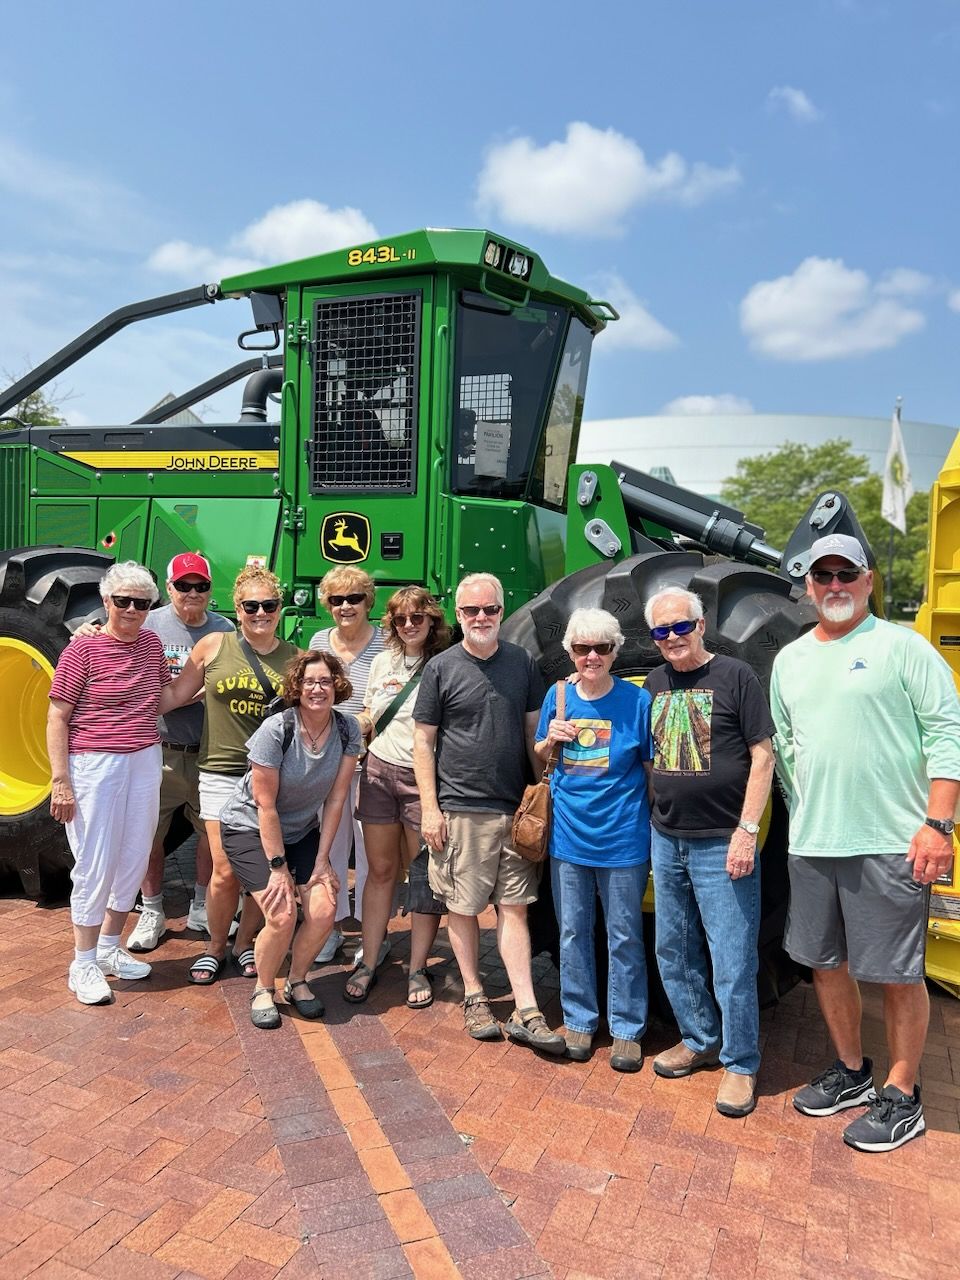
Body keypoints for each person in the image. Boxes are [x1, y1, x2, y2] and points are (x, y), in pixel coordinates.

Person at [770, 533, 960, 1152]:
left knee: (898, 974)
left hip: (888, 841)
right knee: (826, 964)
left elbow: (945, 733)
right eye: (822, 576)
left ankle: (904, 1096)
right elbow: (788, 749)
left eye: (845, 574)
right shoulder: (790, 660)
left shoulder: (903, 648)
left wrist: (938, 824)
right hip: (814, 840)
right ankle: (853, 1071)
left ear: (869, 580)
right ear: (808, 586)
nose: (834, 586)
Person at [413, 572, 563, 1052]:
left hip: (514, 811)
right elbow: (423, 743)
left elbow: (532, 735)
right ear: (458, 615)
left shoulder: (521, 663)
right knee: (462, 908)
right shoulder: (441, 667)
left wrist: (546, 780)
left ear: (502, 610)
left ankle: (526, 1007)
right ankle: (475, 995)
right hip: (459, 810)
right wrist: (431, 809)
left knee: (514, 909)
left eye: (490, 610)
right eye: (471, 610)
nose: (481, 618)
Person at [643, 586, 775, 1119]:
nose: (672, 638)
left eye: (680, 627)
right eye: (661, 631)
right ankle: (699, 1039)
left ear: (700, 625)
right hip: (667, 837)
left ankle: (741, 1063)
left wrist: (747, 830)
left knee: (732, 957)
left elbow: (762, 756)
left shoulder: (736, 676)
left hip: (723, 840)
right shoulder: (654, 682)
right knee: (672, 949)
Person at [47, 561, 199, 1005]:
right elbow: (58, 714)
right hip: (94, 765)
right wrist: (61, 780)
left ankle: (110, 949)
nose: (132, 609)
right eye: (122, 600)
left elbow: (163, 699)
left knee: (132, 857)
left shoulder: (151, 643)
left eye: (141, 602)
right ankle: (83, 962)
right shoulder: (83, 650)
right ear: (105, 601)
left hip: (144, 760)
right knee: (94, 862)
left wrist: (207, 673)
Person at [534, 609, 653, 1071]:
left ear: (615, 652)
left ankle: (626, 1028)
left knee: (624, 935)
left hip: (623, 837)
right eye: (582, 648)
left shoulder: (635, 702)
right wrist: (550, 741)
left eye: (602, 648)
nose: (591, 656)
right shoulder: (558, 695)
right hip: (568, 837)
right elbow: (541, 752)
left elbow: (647, 770)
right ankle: (580, 1019)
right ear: (570, 652)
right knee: (572, 932)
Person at [219, 652, 361, 1028]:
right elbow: (265, 806)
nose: (318, 689)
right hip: (249, 827)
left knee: (324, 909)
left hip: (300, 830)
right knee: (282, 914)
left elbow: (335, 799)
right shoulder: (276, 730)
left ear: (337, 686)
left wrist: (322, 860)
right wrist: (278, 868)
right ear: (297, 687)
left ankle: (297, 980)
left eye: (326, 682)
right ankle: (263, 988)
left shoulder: (347, 730)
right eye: (310, 682)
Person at [177, 566, 301, 986]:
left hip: (269, 775)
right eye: (252, 606)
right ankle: (214, 945)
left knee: (261, 867)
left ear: (280, 609)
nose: (261, 613)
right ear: (238, 608)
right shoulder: (213, 646)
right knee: (225, 867)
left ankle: (244, 942)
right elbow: (175, 694)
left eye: (269, 605)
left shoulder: (295, 659)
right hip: (219, 770)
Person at [123, 552, 234, 951]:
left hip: (209, 753)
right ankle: (152, 910)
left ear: (209, 590)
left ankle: (202, 905)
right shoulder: (148, 623)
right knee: (148, 835)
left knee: (211, 834)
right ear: (168, 588)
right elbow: (109, 642)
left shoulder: (225, 630)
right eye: (183, 585)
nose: (192, 593)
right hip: (160, 749)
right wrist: (86, 631)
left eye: (200, 586)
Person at [345, 587, 451, 1006]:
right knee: (380, 871)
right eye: (401, 619)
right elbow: (373, 712)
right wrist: (355, 724)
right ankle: (370, 960)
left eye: (417, 618)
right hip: (378, 773)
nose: (409, 625)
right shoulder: (383, 661)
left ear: (432, 621)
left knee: (422, 876)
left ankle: (418, 966)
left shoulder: (443, 665)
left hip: (421, 780)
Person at [309, 567, 385, 964]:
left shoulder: (387, 643)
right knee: (332, 850)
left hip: (374, 765)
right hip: (329, 764)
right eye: (336, 600)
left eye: (354, 598)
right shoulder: (320, 641)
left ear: (368, 601)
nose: (345, 606)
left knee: (373, 857)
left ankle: (372, 936)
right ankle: (331, 929)